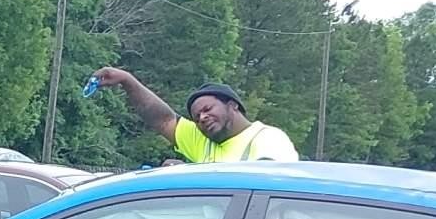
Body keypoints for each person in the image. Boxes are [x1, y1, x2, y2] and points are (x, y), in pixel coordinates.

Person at [91, 70, 299, 164]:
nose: (202, 118)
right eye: (197, 116)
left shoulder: (268, 138)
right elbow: (163, 120)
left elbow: (266, 186)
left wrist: (190, 177)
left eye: (208, 109)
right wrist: (127, 81)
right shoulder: (204, 140)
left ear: (232, 105)